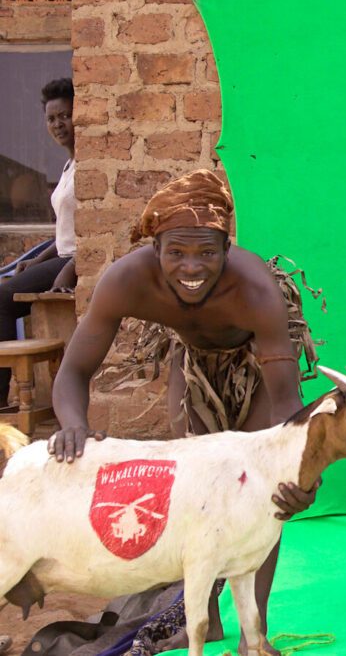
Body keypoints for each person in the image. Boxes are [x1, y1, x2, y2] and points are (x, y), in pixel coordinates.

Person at [40, 170, 317, 655]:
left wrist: (302, 477)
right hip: (194, 365)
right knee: (194, 489)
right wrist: (74, 425)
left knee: (259, 490)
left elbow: (288, 406)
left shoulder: (255, 291)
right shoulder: (126, 280)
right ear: (155, 249)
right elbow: (73, 372)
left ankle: (258, 634)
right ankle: (204, 620)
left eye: (207, 253)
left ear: (227, 251)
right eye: (177, 253)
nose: (192, 267)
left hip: (257, 371)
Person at [0, 77, 78, 408]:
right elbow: (65, 229)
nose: (58, 124)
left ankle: (2, 399)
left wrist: (65, 272)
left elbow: (89, 234)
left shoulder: (91, 165)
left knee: (2, 297)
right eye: (51, 118)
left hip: (73, 260)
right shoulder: (68, 165)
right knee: (6, 283)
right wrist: (38, 259)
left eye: (64, 115)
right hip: (60, 256)